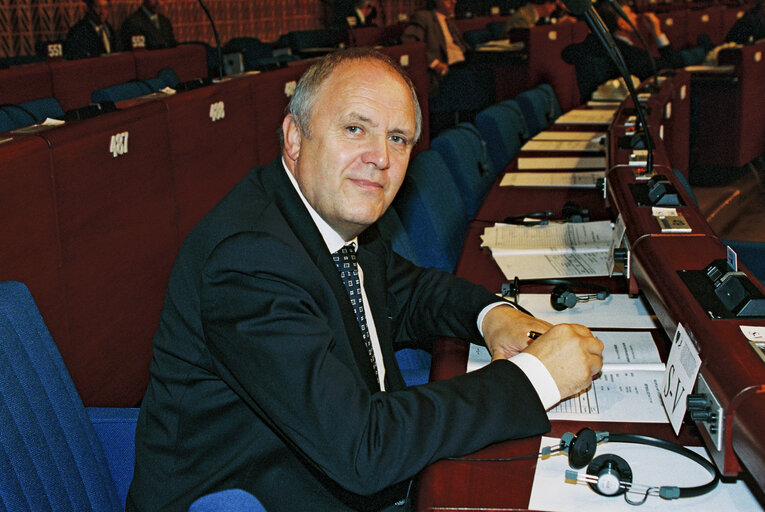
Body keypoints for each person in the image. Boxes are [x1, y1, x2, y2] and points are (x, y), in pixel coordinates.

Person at [127, 48, 603, 512]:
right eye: (355, 129)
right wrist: (536, 378)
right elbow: (362, 451)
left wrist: (493, 316)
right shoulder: (248, 261)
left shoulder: (329, 217)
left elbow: (413, 292)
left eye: (398, 139)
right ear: (294, 137)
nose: (379, 157)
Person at [562, 0, 684, 102]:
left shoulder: (611, 47)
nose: (636, 16)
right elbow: (672, 67)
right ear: (622, 24)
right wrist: (657, 32)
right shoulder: (627, 52)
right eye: (631, 13)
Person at [401, 0, 469, 91]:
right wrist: (435, 63)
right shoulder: (423, 17)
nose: (454, 1)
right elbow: (410, 43)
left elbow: (462, 46)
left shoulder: (449, 20)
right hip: (443, 72)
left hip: (463, 65)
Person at [503, 0, 575, 33]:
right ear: (547, 5)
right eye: (554, 5)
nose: (554, 9)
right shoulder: (524, 17)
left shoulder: (533, 15)